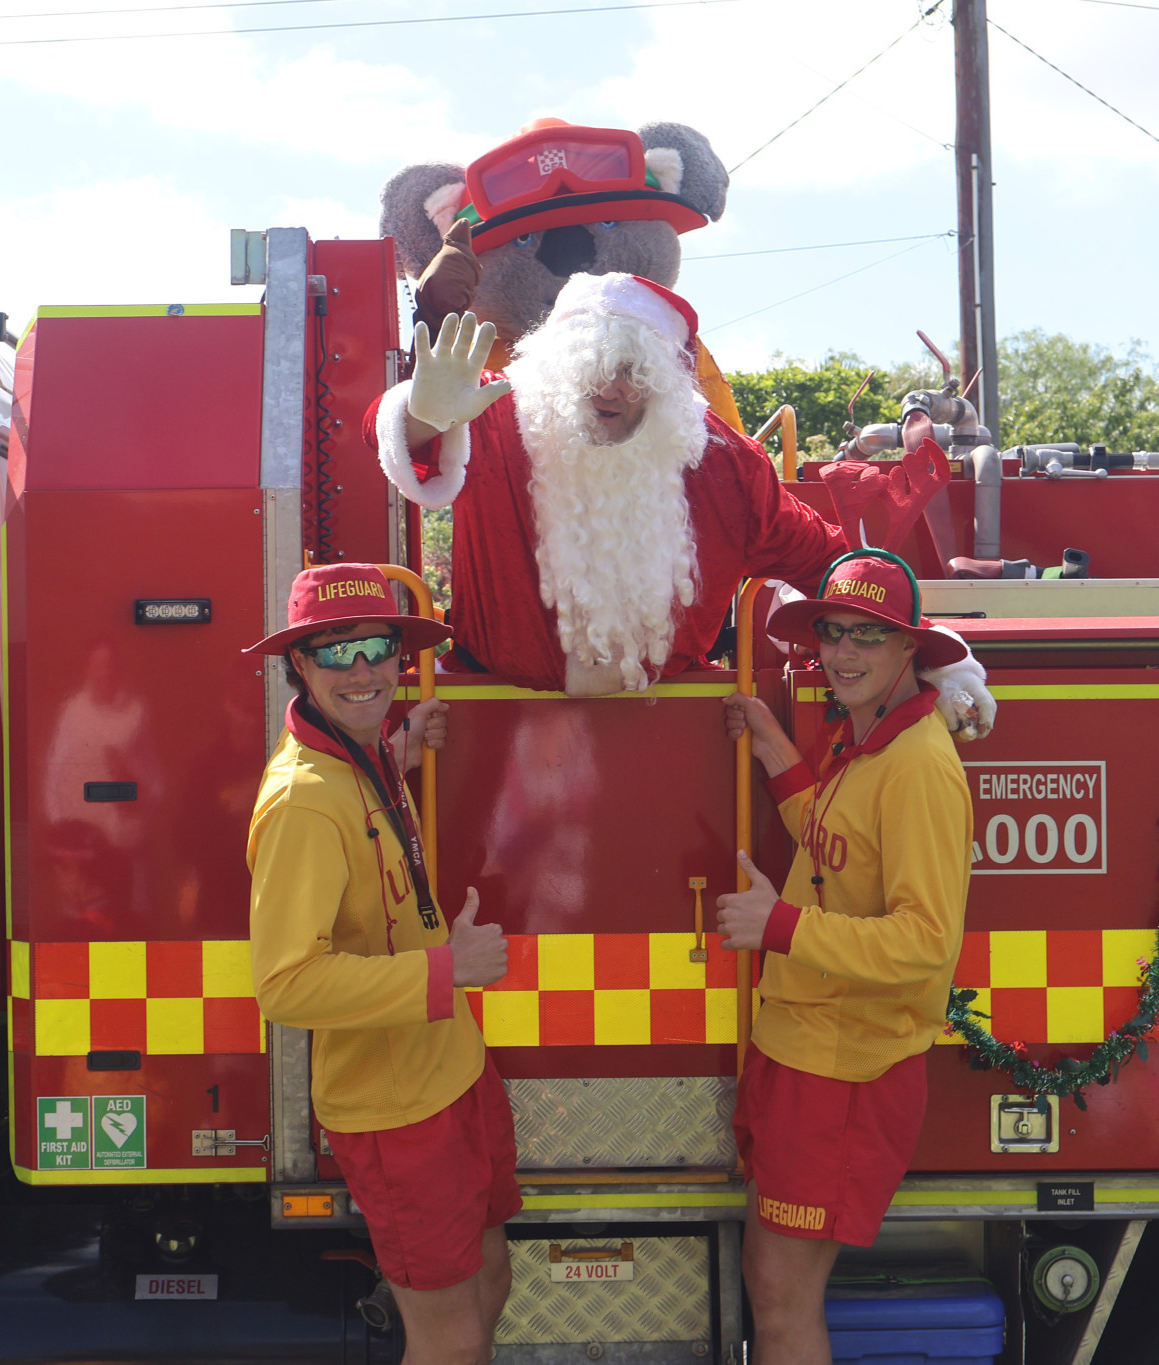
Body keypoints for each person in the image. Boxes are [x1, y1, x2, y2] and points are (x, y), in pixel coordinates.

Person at [363, 274, 992, 737]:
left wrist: (931, 651)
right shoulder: (495, 418)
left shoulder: (718, 458)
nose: (609, 388)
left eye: (632, 370)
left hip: (670, 730)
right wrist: (424, 412)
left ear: (665, 378)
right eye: (591, 367)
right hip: (494, 723)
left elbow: (829, 564)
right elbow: (388, 438)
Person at [245, 563, 516, 1365]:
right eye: (335, 652)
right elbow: (285, 982)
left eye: (376, 647)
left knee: (493, 1281)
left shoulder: (359, 756)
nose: (361, 671)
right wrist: (446, 972)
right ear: (300, 665)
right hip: (397, 1113)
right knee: (451, 1340)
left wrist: (401, 745)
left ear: (400, 656)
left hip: (453, 1073)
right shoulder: (303, 800)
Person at [715, 549, 975, 1365]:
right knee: (773, 1285)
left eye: (869, 634)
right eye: (833, 633)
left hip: (847, 1072)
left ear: (910, 649)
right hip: (807, 1053)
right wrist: (773, 750)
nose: (844, 653)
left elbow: (925, 942)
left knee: (784, 1299)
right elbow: (832, 848)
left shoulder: (920, 767)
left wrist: (780, 925)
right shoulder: (863, 739)